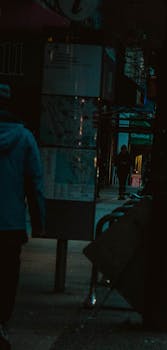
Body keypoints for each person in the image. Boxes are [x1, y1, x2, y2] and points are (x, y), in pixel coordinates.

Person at [0, 83, 45, 350]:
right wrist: (39, 221)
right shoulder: (25, 138)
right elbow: (35, 183)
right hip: (10, 224)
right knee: (6, 276)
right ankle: (1, 323)